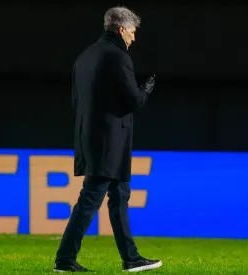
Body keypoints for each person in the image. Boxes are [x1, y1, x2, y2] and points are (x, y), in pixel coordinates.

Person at [53, 6, 162, 273]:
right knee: (92, 198)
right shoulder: (118, 56)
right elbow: (132, 100)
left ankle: (130, 257)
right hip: (110, 141)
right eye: (133, 32)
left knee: (118, 196)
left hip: (90, 136)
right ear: (122, 29)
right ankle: (65, 260)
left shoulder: (86, 55)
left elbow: (76, 100)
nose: (133, 39)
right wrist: (145, 90)